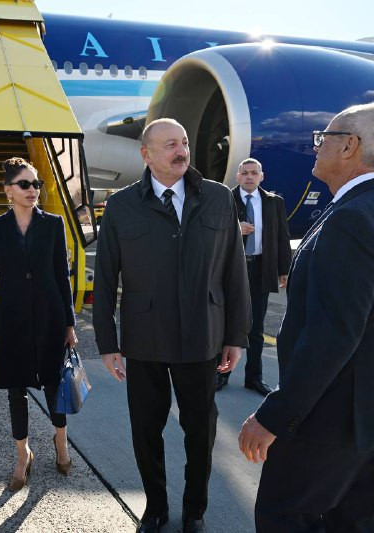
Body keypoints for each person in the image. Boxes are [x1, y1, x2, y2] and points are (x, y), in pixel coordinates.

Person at [239, 102, 374, 532]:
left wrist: (275, 415)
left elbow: (332, 336)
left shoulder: (352, 218)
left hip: (329, 418)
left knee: (284, 517)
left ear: (350, 146)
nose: (315, 146)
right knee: (351, 521)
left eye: (324, 137)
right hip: (367, 414)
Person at [93, 118, 251, 533]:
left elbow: (234, 271)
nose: (181, 151)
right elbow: (105, 277)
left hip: (203, 335)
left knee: (201, 431)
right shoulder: (122, 205)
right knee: (146, 430)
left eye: (183, 142)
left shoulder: (217, 197)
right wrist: (107, 342)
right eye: (170, 145)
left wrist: (236, 335)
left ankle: (194, 510)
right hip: (144, 338)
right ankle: (156, 507)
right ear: (146, 154)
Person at [0, 157, 78, 492]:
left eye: (36, 184)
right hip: (11, 319)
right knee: (15, 388)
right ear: (8, 190)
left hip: (50, 316)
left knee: (54, 384)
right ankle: (23, 454)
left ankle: (61, 441)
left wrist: (69, 323)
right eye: (24, 184)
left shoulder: (54, 224)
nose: (33, 190)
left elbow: (62, 276)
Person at [216, 158, 291, 395]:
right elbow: (211, 234)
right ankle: (221, 373)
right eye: (245, 173)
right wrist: (235, 229)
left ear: (261, 176)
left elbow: (282, 236)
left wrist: (284, 269)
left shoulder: (273, 202)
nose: (249, 177)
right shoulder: (225, 199)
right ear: (237, 176)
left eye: (254, 173)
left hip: (260, 269)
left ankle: (254, 377)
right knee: (226, 324)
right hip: (232, 269)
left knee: (256, 328)